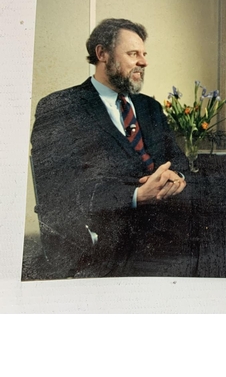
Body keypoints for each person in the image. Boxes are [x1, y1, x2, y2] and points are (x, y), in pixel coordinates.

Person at [30, 18, 189, 279]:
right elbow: (58, 189)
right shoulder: (60, 107)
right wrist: (136, 195)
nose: (144, 62)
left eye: (144, 54)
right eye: (133, 54)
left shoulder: (150, 107)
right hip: (111, 227)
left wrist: (177, 179)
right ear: (102, 54)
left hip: (166, 213)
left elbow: (178, 161)